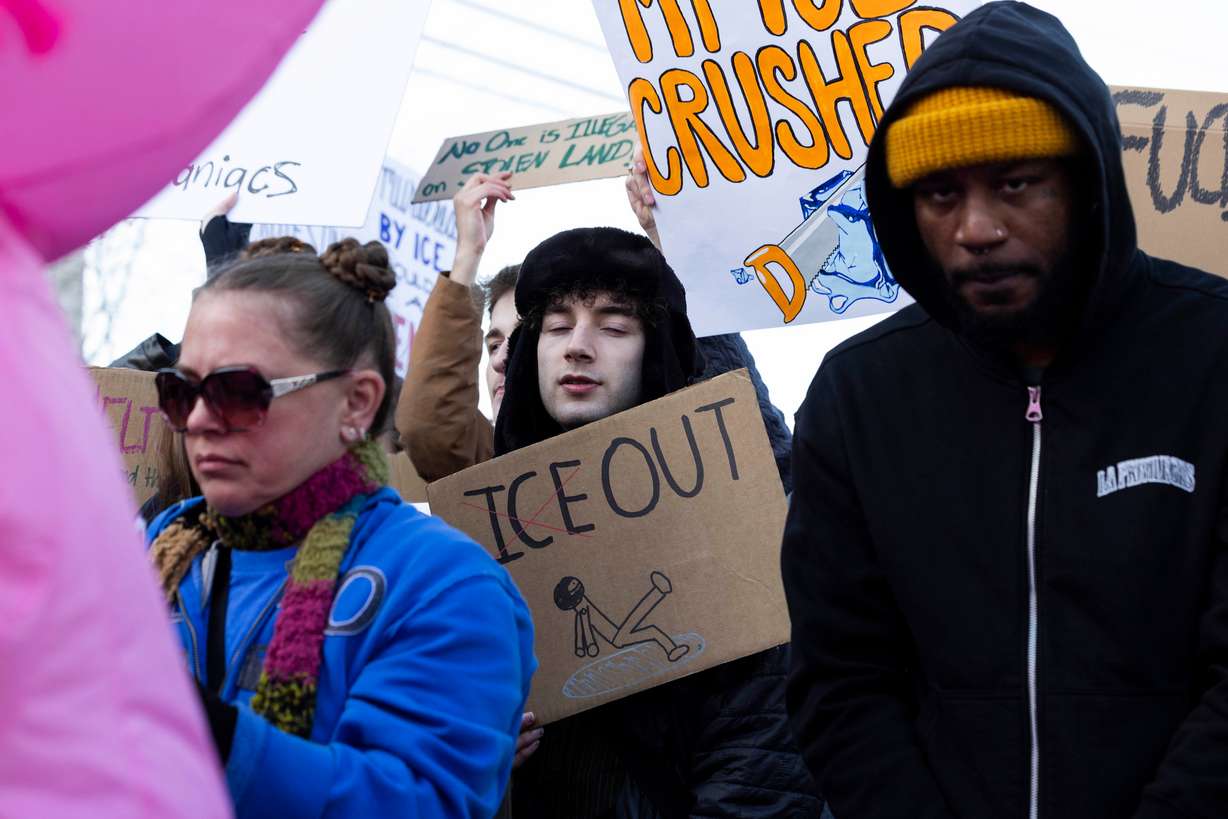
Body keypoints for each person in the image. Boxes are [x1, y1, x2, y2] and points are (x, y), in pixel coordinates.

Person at [781, 3, 1228, 819]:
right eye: (940, 193)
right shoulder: (859, 396)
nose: (976, 228)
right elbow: (839, 681)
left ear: (1087, 184)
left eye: (1016, 183)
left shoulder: (1214, 353)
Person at [146, 238, 535, 818]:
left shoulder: (446, 584)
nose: (199, 421)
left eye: (238, 391)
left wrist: (200, 731)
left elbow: (414, 802)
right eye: (182, 392)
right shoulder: (150, 556)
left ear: (356, 403)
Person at [493, 226, 820, 818]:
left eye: (615, 327)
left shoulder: (733, 518)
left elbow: (763, 750)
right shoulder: (485, 530)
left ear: (656, 348)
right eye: (558, 326)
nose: (578, 347)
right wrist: (476, 758)